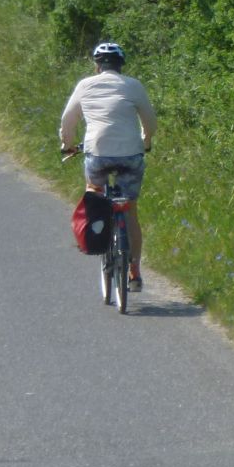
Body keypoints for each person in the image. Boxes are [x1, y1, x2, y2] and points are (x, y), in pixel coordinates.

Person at [59, 41, 156, 289]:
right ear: (121, 65)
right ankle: (134, 271)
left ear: (97, 66)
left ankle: (92, 236)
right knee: (130, 209)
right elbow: (150, 120)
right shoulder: (133, 85)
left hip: (98, 154)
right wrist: (146, 141)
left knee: (94, 194)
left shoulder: (85, 85)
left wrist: (67, 145)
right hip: (131, 154)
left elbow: (68, 120)